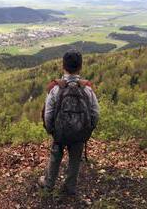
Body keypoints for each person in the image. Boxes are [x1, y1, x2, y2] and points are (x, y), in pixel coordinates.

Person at [38, 49, 99, 195]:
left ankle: (48, 184)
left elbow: (48, 114)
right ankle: (70, 187)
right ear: (80, 67)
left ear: (63, 66)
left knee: (55, 157)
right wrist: (88, 129)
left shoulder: (56, 88)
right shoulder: (87, 89)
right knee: (75, 159)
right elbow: (95, 113)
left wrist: (51, 130)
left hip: (60, 133)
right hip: (79, 133)